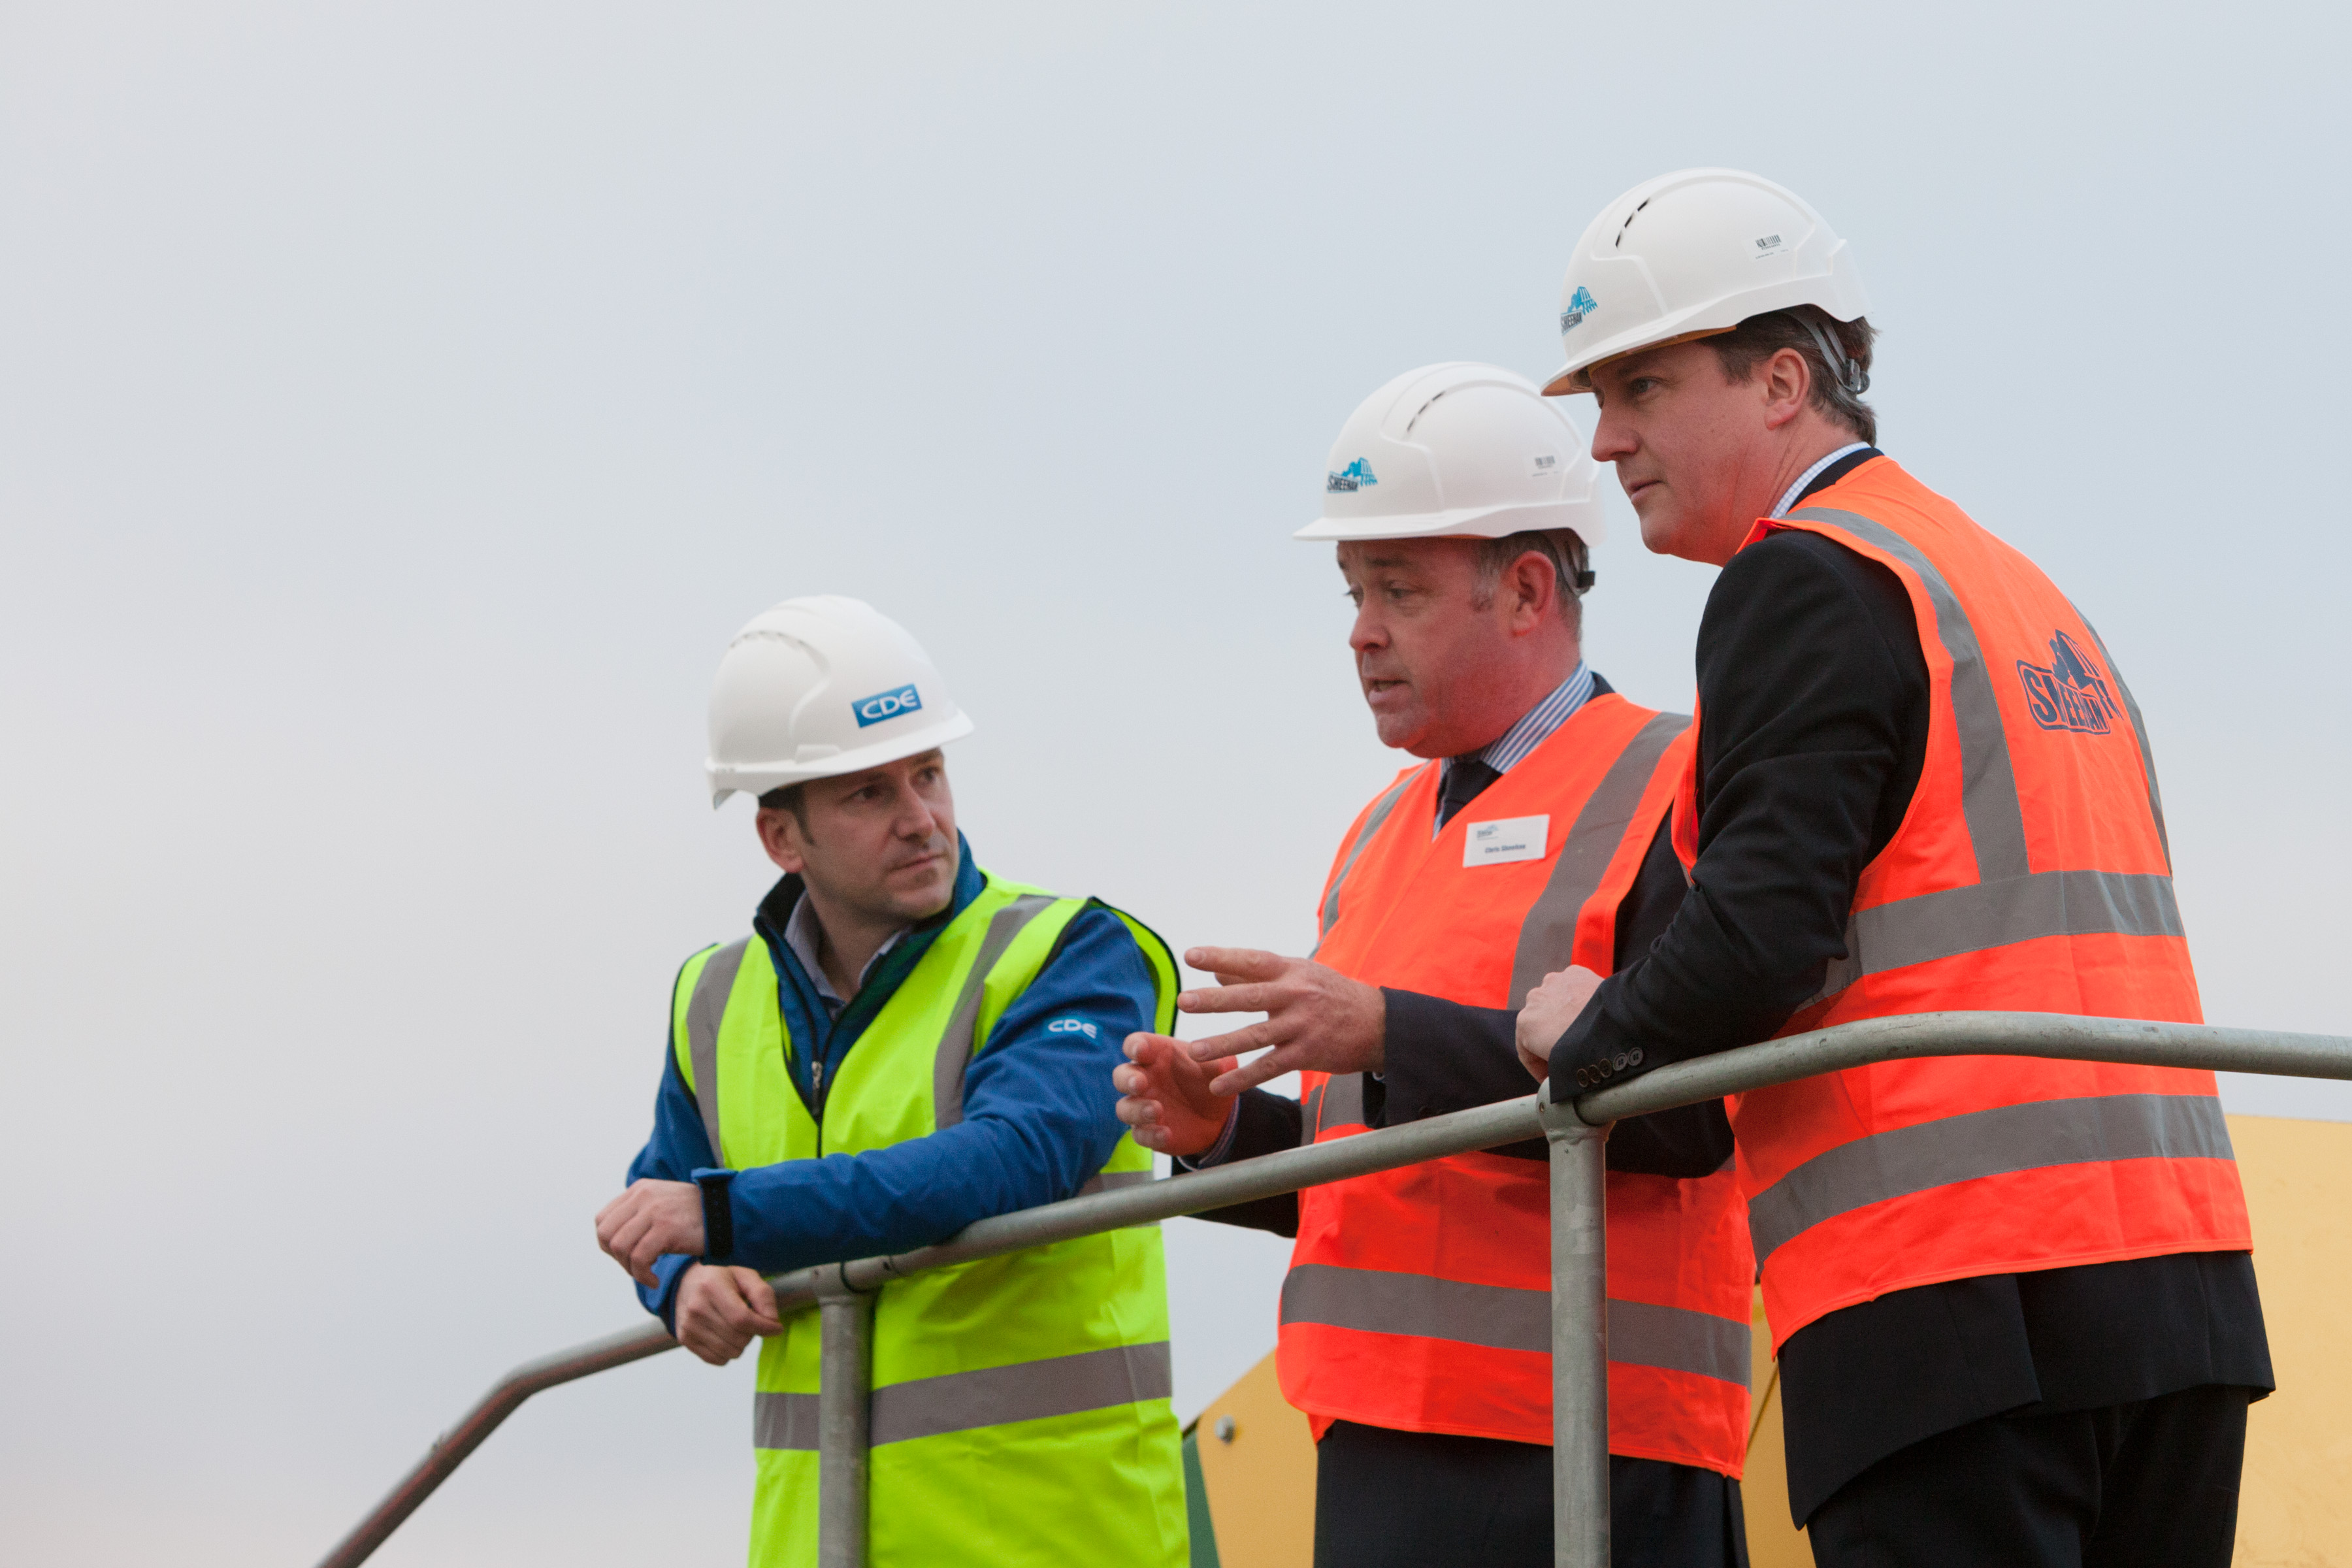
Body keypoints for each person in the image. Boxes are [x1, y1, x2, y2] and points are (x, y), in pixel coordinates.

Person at [1513, 169, 2270, 1565]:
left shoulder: (1802, 577)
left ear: (1783, 379)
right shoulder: (2012, 590)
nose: (1606, 439)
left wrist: (1583, 1040)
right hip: (2178, 1292)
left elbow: (1762, 938)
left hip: (1957, 1306)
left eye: (1641, 387)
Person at [1116, 363, 1755, 1567]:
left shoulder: (1674, 781)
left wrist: (1388, 1031)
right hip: (1377, 1444)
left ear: (1525, 591)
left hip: (1602, 1451)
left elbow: (1700, 1118)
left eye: (1397, 591)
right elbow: (1364, 1181)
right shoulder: (1378, 835)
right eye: (1355, 591)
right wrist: (1222, 1138)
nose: (1360, 630)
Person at [594, 595, 1188, 1568]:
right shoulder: (712, 996)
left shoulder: (1072, 952)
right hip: (814, 1544)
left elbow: (1009, 1162)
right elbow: (670, 1197)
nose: (922, 820)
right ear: (782, 840)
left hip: (1054, 1539)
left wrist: (722, 1220)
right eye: (870, 794)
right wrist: (682, 1283)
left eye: (929, 774)